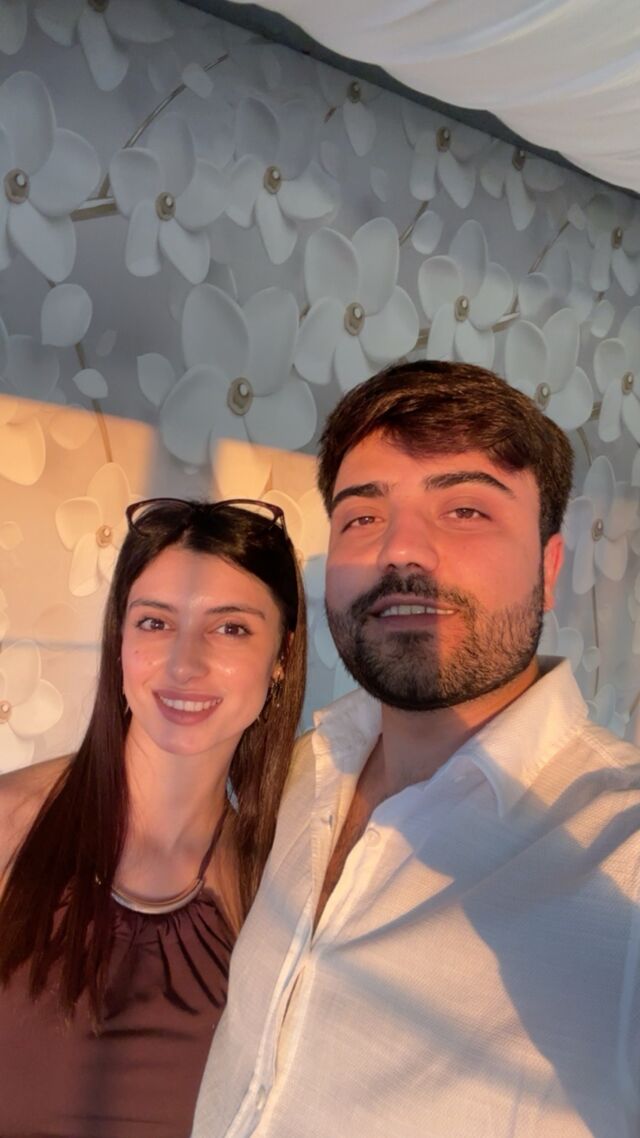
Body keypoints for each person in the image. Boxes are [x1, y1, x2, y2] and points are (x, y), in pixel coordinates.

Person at [193, 361, 640, 1138]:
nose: (402, 551)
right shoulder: (301, 769)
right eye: (362, 516)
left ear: (549, 567)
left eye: (465, 509)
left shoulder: (620, 855)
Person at [0, 497, 305, 1138]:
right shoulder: (10, 824)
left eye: (231, 628)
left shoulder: (279, 889)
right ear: (120, 641)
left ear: (281, 656)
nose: (184, 664)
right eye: (155, 623)